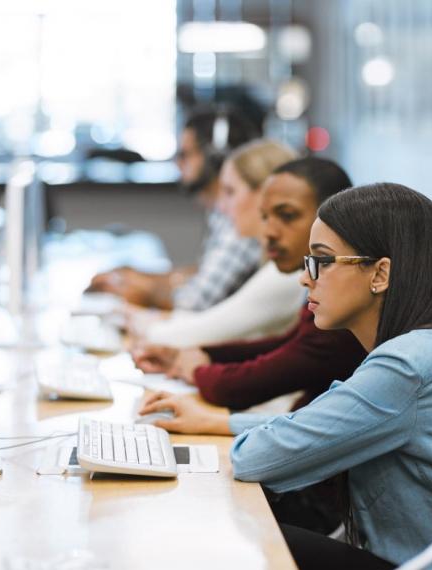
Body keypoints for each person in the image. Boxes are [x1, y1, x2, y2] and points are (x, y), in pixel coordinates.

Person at [139, 183, 432, 570]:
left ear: (380, 273)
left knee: (244, 532)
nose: (306, 280)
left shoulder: (407, 366)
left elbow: (258, 459)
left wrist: (228, 433)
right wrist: (218, 422)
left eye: (323, 262)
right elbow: (324, 425)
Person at [133, 158, 365, 414]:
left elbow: (287, 366)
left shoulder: (341, 296)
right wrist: (202, 356)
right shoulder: (311, 280)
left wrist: (199, 370)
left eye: (287, 216)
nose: (269, 232)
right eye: (264, 217)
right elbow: (290, 345)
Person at [89, 108, 262, 311]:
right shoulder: (221, 215)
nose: (178, 163)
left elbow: (194, 302)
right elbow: (202, 274)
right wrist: (139, 277)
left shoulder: (239, 223)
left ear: (215, 158)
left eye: (185, 154)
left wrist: (132, 286)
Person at [141, 139, 301, 347]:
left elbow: (200, 330)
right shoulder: (273, 262)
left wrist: (139, 323)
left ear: (266, 194)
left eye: (230, 192)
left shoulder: (286, 273)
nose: (222, 208)